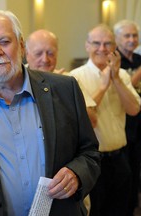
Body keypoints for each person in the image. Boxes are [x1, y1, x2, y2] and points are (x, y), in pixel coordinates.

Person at [0, 9, 101, 216]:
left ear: (21, 45)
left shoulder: (65, 89)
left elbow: (90, 152)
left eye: (4, 41)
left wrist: (77, 174)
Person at [70, 24, 141, 216]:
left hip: (120, 158)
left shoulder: (123, 75)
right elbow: (88, 119)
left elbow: (134, 109)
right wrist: (102, 86)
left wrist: (116, 79)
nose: (102, 49)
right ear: (87, 46)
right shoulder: (75, 78)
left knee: (122, 210)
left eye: (107, 43)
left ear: (114, 47)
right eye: (96, 43)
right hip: (92, 162)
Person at [26, 28, 96, 215]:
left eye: (50, 53)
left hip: (66, 186)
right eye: (38, 53)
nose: (45, 59)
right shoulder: (15, 85)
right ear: (26, 54)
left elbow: (91, 125)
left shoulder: (69, 83)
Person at [114, 19, 141, 215]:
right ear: (117, 39)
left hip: (139, 124)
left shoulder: (138, 59)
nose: (132, 40)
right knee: (126, 174)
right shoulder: (114, 61)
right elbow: (128, 85)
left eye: (135, 35)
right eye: (127, 36)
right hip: (121, 127)